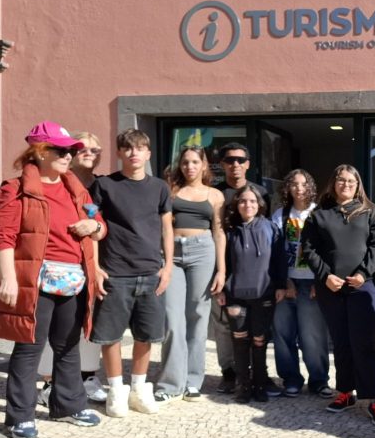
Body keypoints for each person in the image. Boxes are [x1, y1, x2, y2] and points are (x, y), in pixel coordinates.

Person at [0, 121, 107, 438]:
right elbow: (3, 237)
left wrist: (92, 227)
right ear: (40, 152)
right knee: (29, 347)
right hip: (35, 280)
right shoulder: (14, 189)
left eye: (70, 151)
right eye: (61, 151)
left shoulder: (77, 189)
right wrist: (8, 278)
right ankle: (20, 416)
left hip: (73, 279)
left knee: (67, 345)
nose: (68, 156)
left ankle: (68, 405)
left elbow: (99, 223)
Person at [89, 128, 173, 418]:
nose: (133, 153)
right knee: (110, 336)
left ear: (148, 153)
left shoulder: (159, 187)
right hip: (115, 272)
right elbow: (92, 228)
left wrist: (168, 266)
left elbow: (167, 228)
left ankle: (138, 389)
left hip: (151, 272)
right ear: (119, 153)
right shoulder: (104, 185)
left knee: (146, 335)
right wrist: (95, 267)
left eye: (139, 148)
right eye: (127, 148)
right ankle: (116, 391)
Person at [301, 164, 375, 426]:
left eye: (351, 180)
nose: (346, 184)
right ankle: (345, 392)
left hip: (363, 287)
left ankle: (374, 399)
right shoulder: (318, 215)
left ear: (358, 184)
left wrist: (363, 273)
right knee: (341, 342)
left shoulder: (371, 212)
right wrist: (325, 276)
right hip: (331, 288)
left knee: (364, 344)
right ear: (333, 183)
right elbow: (309, 249)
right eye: (341, 180)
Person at [36, 132, 108, 405]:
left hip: (95, 263)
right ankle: (49, 382)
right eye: (83, 149)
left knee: (88, 321)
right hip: (59, 264)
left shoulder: (102, 184)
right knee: (54, 325)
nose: (89, 153)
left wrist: (97, 266)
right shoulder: (58, 180)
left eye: (95, 149)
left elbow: (96, 227)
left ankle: (87, 377)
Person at [153, 146, 226, 404]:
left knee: (198, 315)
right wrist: (163, 261)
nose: (190, 167)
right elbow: (162, 227)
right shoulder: (170, 191)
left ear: (204, 165)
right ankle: (170, 383)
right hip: (172, 253)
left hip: (202, 251)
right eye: (185, 162)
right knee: (172, 319)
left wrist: (221, 270)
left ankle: (193, 382)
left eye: (195, 162)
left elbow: (219, 232)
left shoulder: (214, 195)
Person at [210, 142, 275, 395]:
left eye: (240, 160)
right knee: (225, 327)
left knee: (258, 331)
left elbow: (266, 235)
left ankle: (259, 375)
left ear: (247, 164)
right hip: (224, 271)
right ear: (222, 164)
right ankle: (231, 373)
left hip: (257, 280)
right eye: (229, 160)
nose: (234, 164)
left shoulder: (261, 192)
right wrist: (220, 275)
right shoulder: (216, 194)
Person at [217, 186, 286, 403]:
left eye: (253, 201)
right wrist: (221, 290)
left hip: (264, 293)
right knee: (239, 339)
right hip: (235, 294)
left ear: (260, 205)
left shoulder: (271, 228)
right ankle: (243, 385)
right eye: (243, 201)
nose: (248, 205)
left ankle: (260, 383)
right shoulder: (229, 231)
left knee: (259, 339)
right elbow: (222, 263)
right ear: (237, 205)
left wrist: (281, 285)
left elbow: (279, 260)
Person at [270, 169, 333, 398]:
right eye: (294, 184)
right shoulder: (280, 215)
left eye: (304, 184)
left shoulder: (320, 213)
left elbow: (327, 250)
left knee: (312, 336)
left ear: (311, 187)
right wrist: (284, 281)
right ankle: (291, 379)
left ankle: (319, 380)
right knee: (283, 334)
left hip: (311, 283)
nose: (299, 188)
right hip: (285, 283)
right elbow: (274, 251)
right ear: (288, 187)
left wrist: (320, 280)